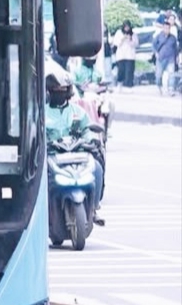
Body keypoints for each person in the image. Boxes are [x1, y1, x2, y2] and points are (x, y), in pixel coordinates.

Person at [45, 66, 104, 212]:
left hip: (78, 154)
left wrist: (91, 140)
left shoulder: (78, 112)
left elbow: (87, 130)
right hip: (52, 155)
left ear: (69, 91)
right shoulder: (41, 112)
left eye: (63, 90)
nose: (60, 93)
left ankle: (94, 208)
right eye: (56, 90)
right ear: (49, 91)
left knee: (97, 167)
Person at [151, 15, 178, 96]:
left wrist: (177, 57)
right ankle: (159, 87)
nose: (166, 30)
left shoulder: (173, 38)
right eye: (165, 28)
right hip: (160, 58)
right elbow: (154, 45)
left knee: (171, 74)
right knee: (159, 75)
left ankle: (171, 89)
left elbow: (175, 49)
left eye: (168, 28)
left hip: (170, 59)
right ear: (163, 28)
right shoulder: (159, 36)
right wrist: (156, 53)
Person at [109, 21, 137, 89]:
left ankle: (128, 86)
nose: (127, 28)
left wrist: (130, 39)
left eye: (128, 27)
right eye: (125, 27)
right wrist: (123, 39)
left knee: (129, 71)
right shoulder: (119, 33)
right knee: (121, 70)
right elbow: (116, 43)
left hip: (130, 56)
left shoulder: (133, 34)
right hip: (121, 56)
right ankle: (120, 83)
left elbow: (135, 44)